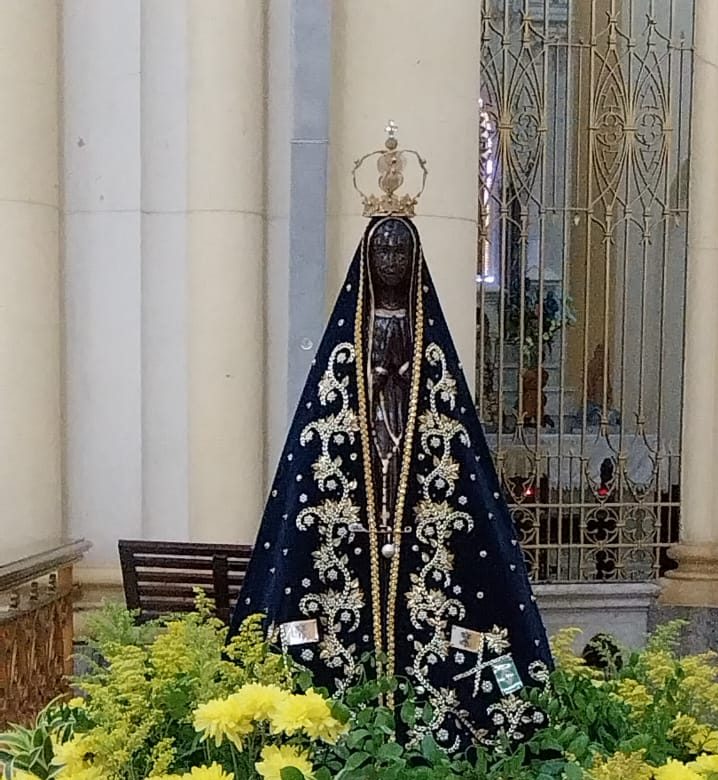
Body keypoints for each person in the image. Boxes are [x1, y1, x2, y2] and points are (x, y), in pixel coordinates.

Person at [230, 127, 552, 752]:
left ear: (416, 261)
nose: (393, 263)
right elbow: (322, 434)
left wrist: (402, 381)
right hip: (359, 485)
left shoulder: (429, 339)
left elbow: (447, 432)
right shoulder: (343, 347)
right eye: (383, 254)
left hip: (414, 488)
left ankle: (449, 733)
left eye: (403, 254)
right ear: (367, 261)